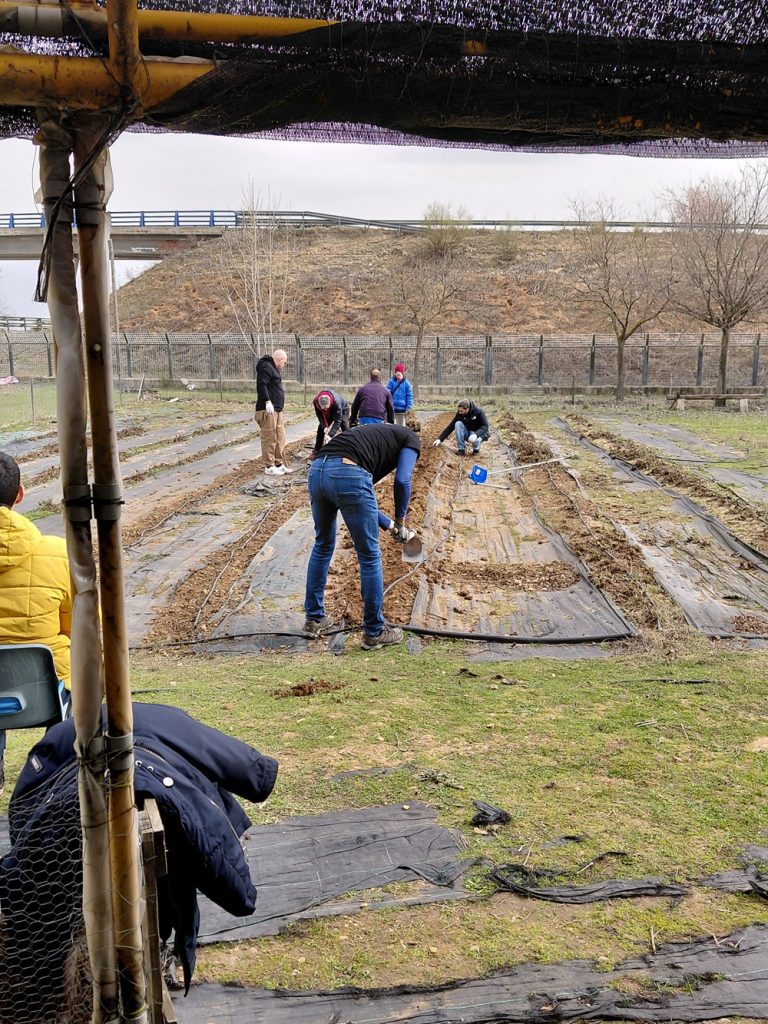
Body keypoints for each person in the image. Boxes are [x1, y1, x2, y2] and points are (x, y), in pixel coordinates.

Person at [304, 424, 420, 650]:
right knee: (369, 555)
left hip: (318, 470)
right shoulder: (411, 440)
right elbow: (402, 480)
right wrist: (400, 521)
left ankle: (314, 619)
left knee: (323, 545)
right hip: (347, 472)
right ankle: (375, 631)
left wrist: (389, 526)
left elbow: (358, 497)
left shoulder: (370, 438)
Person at [0, 451, 73, 792]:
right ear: (20, 494)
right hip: (45, 695)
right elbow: (83, 629)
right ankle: (52, 776)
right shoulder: (59, 554)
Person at [255, 348, 294, 476]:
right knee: (269, 437)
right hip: (268, 410)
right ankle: (269, 466)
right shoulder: (266, 367)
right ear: (280, 360)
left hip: (277, 410)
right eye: (284, 362)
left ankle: (278, 463)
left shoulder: (273, 368)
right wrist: (267, 401)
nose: (284, 365)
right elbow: (261, 384)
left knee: (280, 436)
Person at [312, 389, 351, 455]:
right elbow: (320, 416)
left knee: (345, 427)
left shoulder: (337, 403)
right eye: (324, 408)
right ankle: (317, 450)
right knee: (320, 429)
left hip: (343, 409)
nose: (325, 409)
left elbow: (338, 420)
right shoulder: (316, 402)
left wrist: (330, 435)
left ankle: (349, 448)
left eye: (326, 408)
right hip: (328, 412)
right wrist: (324, 426)